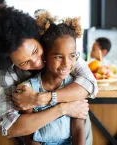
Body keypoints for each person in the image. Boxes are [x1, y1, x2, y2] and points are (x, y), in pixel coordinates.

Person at [0, 5, 98, 145]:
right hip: (39, 134)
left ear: (36, 37)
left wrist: (42, 99)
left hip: (74, 131)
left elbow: (90, 84)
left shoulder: (57, 46)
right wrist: (63, 108)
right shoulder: (8, 72)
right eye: (24, 62)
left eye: (35, 51)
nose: (36, 62)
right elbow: (8, 127)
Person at [19, 11, 85, 145]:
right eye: (58, 57)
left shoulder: (74, 87)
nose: (66, 64)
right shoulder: (29, 89)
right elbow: (29, 135)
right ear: (45, 56)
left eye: (72, 56)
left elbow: (78, 128)